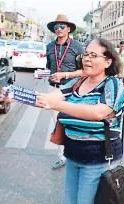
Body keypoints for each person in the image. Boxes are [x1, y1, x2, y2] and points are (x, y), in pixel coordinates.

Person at [0, 38, 124, 204]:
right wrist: (17, 96)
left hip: (99, 158)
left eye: (93, 55)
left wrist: (58, 104)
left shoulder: (113, 84)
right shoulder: (77, 82)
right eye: (86, 54)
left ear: (108, 61)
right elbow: (49, 99)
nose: (87, 59)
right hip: (74, 155)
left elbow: (99, 113)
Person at [45, 14, 84, 170]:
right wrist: (46, 74)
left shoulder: (77, 46)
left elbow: (84, 71)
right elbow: (49, 67)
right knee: (58, 122)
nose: (59, 29)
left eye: (62, 26)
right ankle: (62, 157)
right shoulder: (49, 46)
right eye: (56, 27)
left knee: (73, 122)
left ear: (68, 29)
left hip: (72, 89)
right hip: (53, 89)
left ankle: (76, 154)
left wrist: (65, 74)